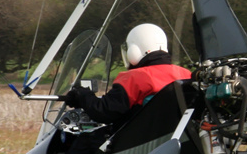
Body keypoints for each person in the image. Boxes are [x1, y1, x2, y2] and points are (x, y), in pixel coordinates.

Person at [63, 23, 191, 125]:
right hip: (170, 135)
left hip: (136, 140)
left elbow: (105, 112)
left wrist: (82, 95)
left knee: (85, 143)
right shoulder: (186, 74)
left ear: (134, 49)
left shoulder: (135, 77)